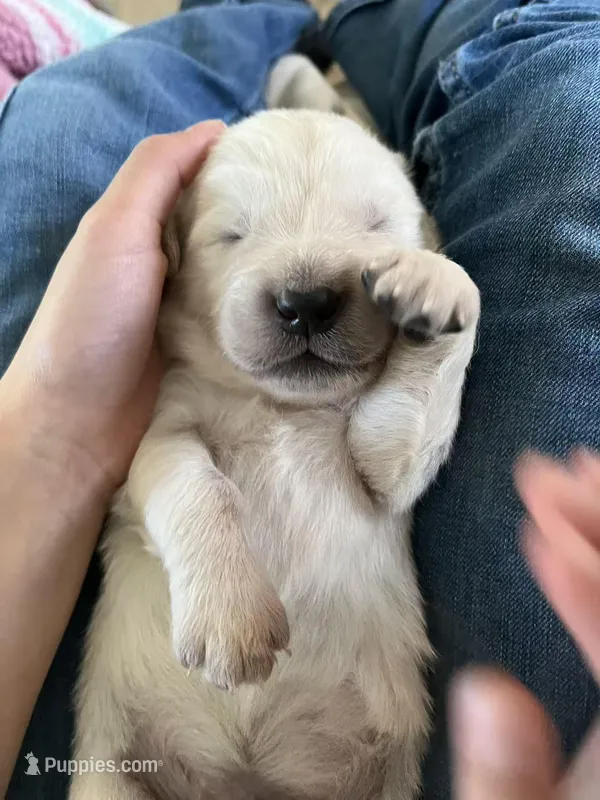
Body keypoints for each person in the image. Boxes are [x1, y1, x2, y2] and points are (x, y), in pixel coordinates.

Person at [0, 0, 598, 796]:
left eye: (379, 230)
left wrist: (440, 338)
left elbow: (390, 467)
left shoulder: (390, 346)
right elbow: (164, 459)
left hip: (352, 760)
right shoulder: (183, 382)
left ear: (424, 236)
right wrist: (204, 547)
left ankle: (256, 22)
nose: (307, 290)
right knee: (574, 78)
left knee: (68, 102)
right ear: (170, 248)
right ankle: (318, 29)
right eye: (233, 234)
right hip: (146, 758)